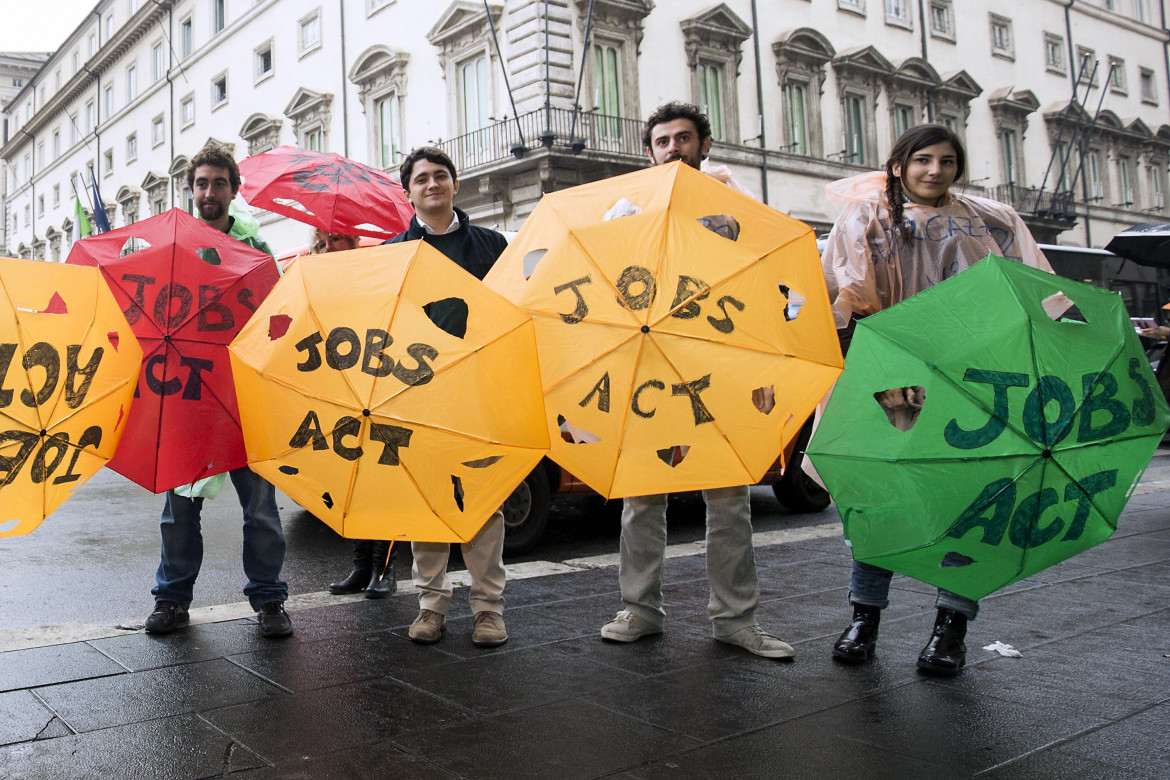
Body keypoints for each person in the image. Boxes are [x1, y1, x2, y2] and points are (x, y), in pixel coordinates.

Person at [821, 124, 1058, 675]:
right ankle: (864, 618)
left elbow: (1034, 290)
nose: (934, 170)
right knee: (878, 498)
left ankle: (951, 627)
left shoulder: (992, 220)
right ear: (898, 165)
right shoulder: (865, 217)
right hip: (890, 377)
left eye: (947, 161)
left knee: (968, 502)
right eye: (922, 159)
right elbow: (841, 294)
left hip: (971, 379)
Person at [598, 102, 795, 660]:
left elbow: (761, 286)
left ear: (704, 145)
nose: (673, 148)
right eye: (662, 141)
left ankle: (735, 619)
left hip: (721, 365)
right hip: (652, 367)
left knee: (730, 499)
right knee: (642, 498)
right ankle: (640, 610)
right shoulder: (627, 207)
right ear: (650, 151)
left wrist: (760, 370)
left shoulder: (736, 206)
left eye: (684, 138)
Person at [145, 143, 293, 638]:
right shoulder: (172, 247)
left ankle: (269, 600)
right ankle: (171, 599)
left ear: (234, 189)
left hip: (244, 397)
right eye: (202, 184)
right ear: (191, 190)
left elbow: (278, 314)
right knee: (180, 509)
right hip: (187, 396)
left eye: (219, 183)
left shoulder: (256, 249)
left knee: (261, 507)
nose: (210, 192)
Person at [385, 146, 510, 648]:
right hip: (419, 392)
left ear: (455, 185)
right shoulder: (395, 251)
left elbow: (511, 312)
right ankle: (431, 605)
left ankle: (488, 609)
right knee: (427, 501)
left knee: (485, 500)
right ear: (409, 192)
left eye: (441, 176)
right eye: (421, 179)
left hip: (481, 390)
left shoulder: (491, 245)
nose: (432, 184)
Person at [307, 228, 398, 600]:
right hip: (338, 393)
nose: (330, 244)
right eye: (324, 238)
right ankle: (362, 566)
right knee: (354, 484)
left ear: (354, 242)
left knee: (383, 484)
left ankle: (385, 568)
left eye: (338, 237)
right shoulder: (315, 278)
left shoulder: (371, 276)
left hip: (378, 389)